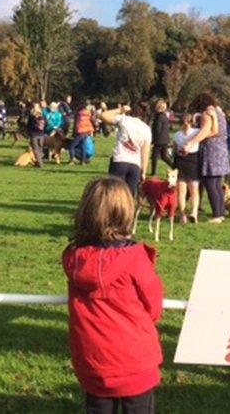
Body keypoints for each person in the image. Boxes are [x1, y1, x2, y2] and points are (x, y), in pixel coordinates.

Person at [62, 177, 163, 413]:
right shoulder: (135, 259)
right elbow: (154, 306)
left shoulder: (74, 258)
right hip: (135, 360)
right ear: (126, 213)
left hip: (93, 361)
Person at [186, 94, 230, 224]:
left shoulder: (207, 113)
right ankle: (220, 213)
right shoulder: (219, 112)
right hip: (221, 150)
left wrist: (192, 142)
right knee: (217, 184)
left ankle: (216, 215)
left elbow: (205, 131)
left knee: (210, 184)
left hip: (210, 151)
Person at [100, 104, 152, 197]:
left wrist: (120, 109)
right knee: (128, 197)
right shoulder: (147, 129)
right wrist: (143, 171)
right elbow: (145, 152)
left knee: (114, 193)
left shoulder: (124, 120)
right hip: (135, 164)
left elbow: (103, 115)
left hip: (120, 160)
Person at [173, 114, 201, 224]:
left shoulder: (196, 132)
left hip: (192, 160)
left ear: (191, 122)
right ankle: (183, 215)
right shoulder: (177, 135)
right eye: (185, 122)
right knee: (182, 190)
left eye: (187, 122)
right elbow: (175, 149)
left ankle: (193, 213)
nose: (186, 124)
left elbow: (174, 149)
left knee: (192, 189)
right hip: (182, 161)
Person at [150, 100, 173, 177]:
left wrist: (153, 139)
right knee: (164, 156)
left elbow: (157, 129)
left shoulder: (158, 116)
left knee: (154, 156)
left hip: (159, 140)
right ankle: (174, 167)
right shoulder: (165, 116)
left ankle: (153, 172)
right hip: (165, 139)